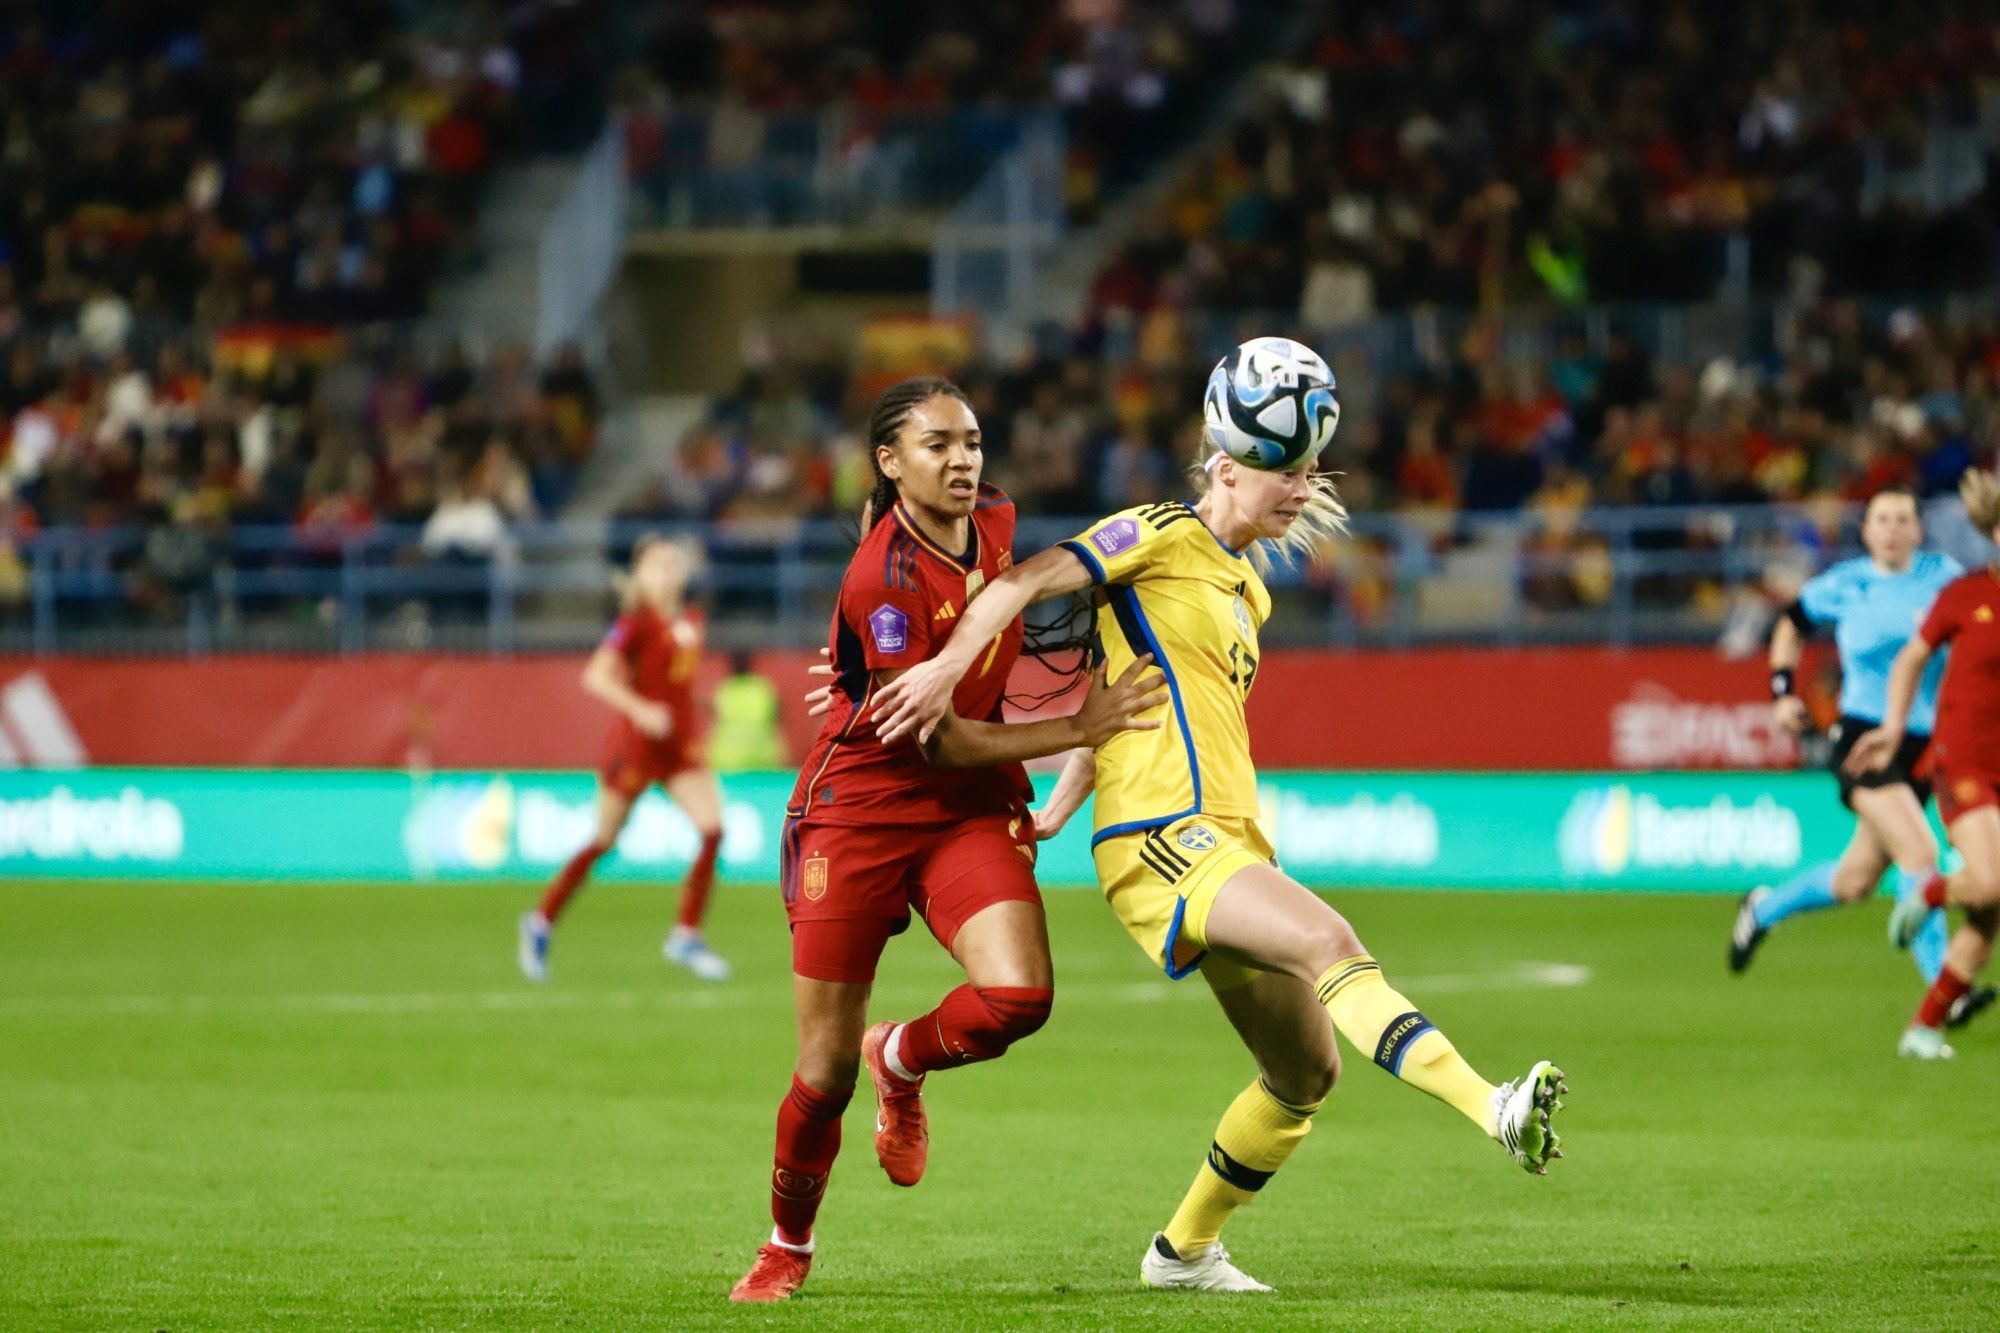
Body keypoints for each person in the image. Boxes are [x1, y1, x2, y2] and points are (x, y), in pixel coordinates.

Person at [871, 425, 1567, 1295]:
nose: (1303, 487)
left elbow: (1129, 690)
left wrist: (1059, 801)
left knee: (1305, 1072)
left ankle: (1183, 1252)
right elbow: (1023, 579)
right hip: (1165, 838)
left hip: (1226, 839)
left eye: (1311, 472)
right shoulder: (1159, 531)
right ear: (1228, 468)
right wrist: (941, 671)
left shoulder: (1249, 591)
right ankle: (1496, 1109)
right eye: (1286, 470)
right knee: (1329, 941)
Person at [728, 377, 1165, 1303]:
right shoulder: (879, 578)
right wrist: (1082, 728)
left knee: (1018, 996)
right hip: (862, 810)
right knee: (822, 1067)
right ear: (890, 462)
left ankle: (905, 1057)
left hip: (966, 807)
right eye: (938, 444)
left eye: (971, 440)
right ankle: (786, 1245)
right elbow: (939, 735)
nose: (964, 459)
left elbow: (1010, 596)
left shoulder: (996, 520)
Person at [1729, 487, 1995, 1031]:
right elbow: (1791, 625)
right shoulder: (1845, 583)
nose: (1892, 529)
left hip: (1929, 742)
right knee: (1919, 852)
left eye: (1903, 519)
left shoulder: (1947, 577)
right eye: (1882, 519)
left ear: (1919, 531)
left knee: (1856, 881)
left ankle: (1762, 908)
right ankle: (1947, 993)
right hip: (1864, 736)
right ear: (1866, 531)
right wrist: (1783, 691)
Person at [517, 536, 732, 983]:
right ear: (640, 576)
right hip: (635, 749)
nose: (666, 573)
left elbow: (671, 679)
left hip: (678, 749)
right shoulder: (633, 623)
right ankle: (541, 921)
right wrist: (640, 709)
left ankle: (686, 934)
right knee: (603, 841)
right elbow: (595, 676)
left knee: (713, 830)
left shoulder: (692, 621)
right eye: (656, 566)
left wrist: (699, 701)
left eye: (672, 564)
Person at [1849, 470, 2000, 1058]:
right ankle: (1931, 894)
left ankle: (1923, 1028)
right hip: (1964, 756)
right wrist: (1892, 727)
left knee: (1989, 914)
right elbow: (1912, 659)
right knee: (1987, 882)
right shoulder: (1967, 594)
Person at [706, 649, 787, 772]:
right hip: (763, 759)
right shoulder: (763, 688)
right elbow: (777, 721)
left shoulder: (724, 689)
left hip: (728, 761)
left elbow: (714, 721)